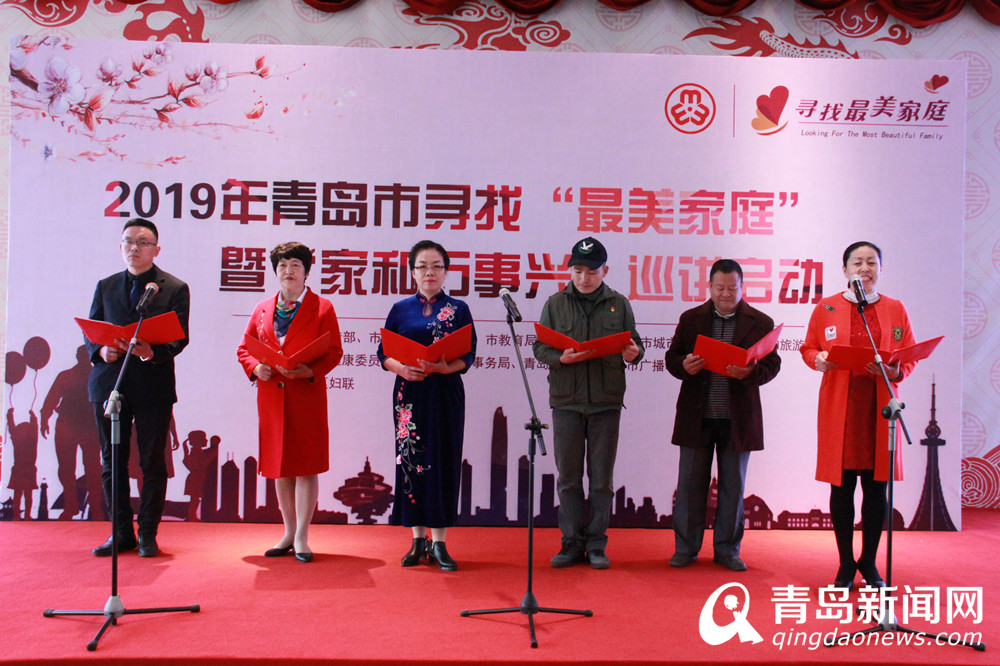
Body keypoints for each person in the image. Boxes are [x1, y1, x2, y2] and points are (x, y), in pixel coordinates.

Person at [800, 241, 916, 589]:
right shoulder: (827, 307)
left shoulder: (895, 308)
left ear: (880, 269)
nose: (864, 269)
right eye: (857, 262)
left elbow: (908, 355)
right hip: (842, 410)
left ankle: (869, 561)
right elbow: (809, 348)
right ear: (845, 269)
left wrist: (896, 372)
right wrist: (818, 359)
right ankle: (846, 563)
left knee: (877, 489)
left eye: (871, 263)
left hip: (879, 411)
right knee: (842, 487)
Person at [532, 236, 644, 570]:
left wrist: (634, 353)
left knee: (601, 481)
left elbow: (635, 344)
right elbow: (540, 347)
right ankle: (570, 543)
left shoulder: (619, 304)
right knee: (568, 479)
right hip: (566, 401)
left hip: (606, 403)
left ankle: (596, 544)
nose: (584, 278)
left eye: (591, 272)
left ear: (604, 271)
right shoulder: (555, 303)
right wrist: (560, 358)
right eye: (577, 271)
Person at [664, 259, 781, 572]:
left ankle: (728, 550)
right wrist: (684, 366)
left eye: (732, 288)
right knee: (690, 486)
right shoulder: (691, 319)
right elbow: (672, 358)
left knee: (733, 487)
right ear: (709, 287)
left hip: (738, 419)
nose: (726, 293)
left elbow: (772, 365)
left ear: (742, 287)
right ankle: (685, 549)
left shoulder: (761, 322)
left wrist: (751, 372)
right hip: (696, 416)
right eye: (720, 288)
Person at [86, 218, 189, 558]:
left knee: (151, 462)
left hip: (152, 386)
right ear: (121, 247)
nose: (134, 247)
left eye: (143, 242)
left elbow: (180, 337)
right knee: (111, 461)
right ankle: (120, 532)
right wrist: (99, 351)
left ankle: (147, 533)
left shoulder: (173, 288)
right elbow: (91, 330)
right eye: (128, 241)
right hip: (111, 384)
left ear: (156, 250)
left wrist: (151, 352)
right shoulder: (105, 286)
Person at [237, 242, 344, 563]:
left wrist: (309, 370)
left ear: (307, 271)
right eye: (282, 265)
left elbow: (334, 352)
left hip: (306, 396)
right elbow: (244, 349)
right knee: (279, 468)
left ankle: (301, 538)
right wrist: (256, 367)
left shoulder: (322, 307)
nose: (288, 271)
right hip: (271, 397)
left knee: (306, 467)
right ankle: (287, 532)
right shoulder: (262, 309)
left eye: (295, 264)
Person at [376, 240, 476, 571]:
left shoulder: (459, 309)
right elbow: (383, 352)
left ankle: (440, 542)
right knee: (411, 461)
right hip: (410, 395)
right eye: (422, 266)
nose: (429, 272)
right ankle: (417, 540)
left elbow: (469, 353)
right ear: (412, 272)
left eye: (436, 266)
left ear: (446, 272)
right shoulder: (400, 309)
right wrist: (401, 369)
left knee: (443, 461)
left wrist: (446, 367)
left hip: (445, 394)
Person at [40, 345, 104, 520]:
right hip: (68, 427)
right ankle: (72, 505)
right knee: (67, 469)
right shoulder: (67, 376)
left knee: (92, 468)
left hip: (88, 427)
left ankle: (95, 507)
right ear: (77, 357)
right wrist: (44, 419)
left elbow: (107, 400)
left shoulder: (96, 375)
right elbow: (51, 399)